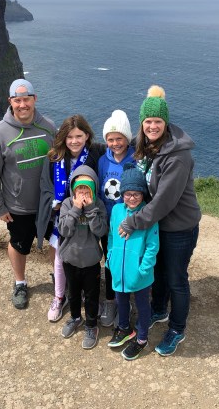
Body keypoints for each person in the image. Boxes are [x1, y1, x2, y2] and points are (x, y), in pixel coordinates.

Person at [118, 85, 201, 357]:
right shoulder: (148, 145)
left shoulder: (178, 156)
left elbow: (164, 202)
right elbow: (121, 148)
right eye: (148, 121)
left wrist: (132, 222)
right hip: (159, 225)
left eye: (157, 121)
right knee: (160, 272)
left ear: (166, 122)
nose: (152, 126)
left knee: (176, 279)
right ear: (141, 123)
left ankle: (177, 329)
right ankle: (159, 310)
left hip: (179, 228)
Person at [0, 79, 55, 309]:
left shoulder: (49, 127)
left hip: (48, 204)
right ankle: (20, 283)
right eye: (18, 100)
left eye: (26, 99)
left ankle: (59, 277)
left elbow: (61, 161)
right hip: (18, 206)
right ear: (10, 101)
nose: (22, 105)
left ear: (35, 99)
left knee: (57, 242)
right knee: (18, 244)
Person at [36, 115, 105, 322]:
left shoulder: (96, 153)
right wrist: (54, 203)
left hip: (89, 214)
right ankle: (60, 296)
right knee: (60, 256)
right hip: (63, 214)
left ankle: (86, 294)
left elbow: (119, 146)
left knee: (87, 257)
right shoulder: (54, 157)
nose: (74, 141)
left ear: (87, 136)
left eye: (79, 136)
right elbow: (45, 185)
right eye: (69, 137)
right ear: (63, 137)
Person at [106, 163, 159, 360]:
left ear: (143, 194)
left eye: (137, 194)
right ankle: (124, 328)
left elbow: (153, 246)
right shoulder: (116, 210)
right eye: (128, 193)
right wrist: (110, 258)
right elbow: (111, 236)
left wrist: (143, 269)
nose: (132, 198)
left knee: (142, 306)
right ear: (122, 194)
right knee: (121, 300)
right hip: (118, 269)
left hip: (139, 273)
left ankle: (142, 338)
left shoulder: (148, 215)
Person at [57, 165, 107, 349]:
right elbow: (64, 230)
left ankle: (92, 325)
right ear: (73, 190)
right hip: (70, 259)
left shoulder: (98, 205)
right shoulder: (67, 204)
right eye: (80, 190)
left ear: (94, 189)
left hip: (91, 260)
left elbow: (101, 231)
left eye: (87, 190)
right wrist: (76, 209)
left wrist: (91, 209)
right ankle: (75, 317)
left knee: (92, 296)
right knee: (73, 293)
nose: (83, 194)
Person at [97, 109, 135, 327]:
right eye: (110, 139)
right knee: (110, 262)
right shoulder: (103, 161)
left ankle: (125, 302)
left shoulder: (135, 160)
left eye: (119, 138)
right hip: (108, 223)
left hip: (128, 223)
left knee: (127, 262)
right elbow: (99, 191)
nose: (115, 143)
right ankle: (111, 300)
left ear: (127, 138)